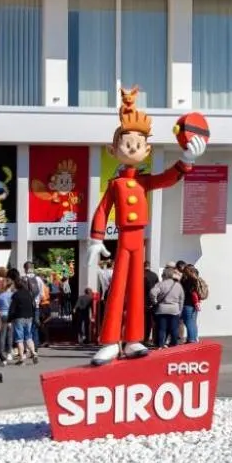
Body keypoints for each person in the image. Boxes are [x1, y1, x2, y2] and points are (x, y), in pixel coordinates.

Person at [87, 86, 207, 365]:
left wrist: (186, 161)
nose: (133, 148)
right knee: (117, 289)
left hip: (138, 240)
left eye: (138, 144)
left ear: (147, 149)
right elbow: (103, 210)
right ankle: (110, 341)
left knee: (137, 292)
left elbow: (168, 178)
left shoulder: (144, 181)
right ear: (113, 150)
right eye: (127, 143)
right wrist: (96, 239)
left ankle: (133, 339)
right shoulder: (116, 184)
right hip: (125, 241)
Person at [10, 269, 41, 364]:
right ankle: (34, 353)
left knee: (19, 339)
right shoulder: (29, 294)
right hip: (29, 317)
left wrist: (9, 319)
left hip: (19, 317)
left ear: (16, 285)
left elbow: (12, 308)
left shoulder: (15, 295)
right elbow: (33, 306)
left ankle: (21, 358)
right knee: (28, 337)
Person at [151, 264, 185, 347]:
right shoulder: (178, 285)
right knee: (174, 328)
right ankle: (173, 344)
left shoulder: (160, 284)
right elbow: (181, 299)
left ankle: (160, 345)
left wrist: (154, 301)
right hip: (174, 309)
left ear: (164, 274)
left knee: (162, 328)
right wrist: (180, 310)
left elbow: (152, 292)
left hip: (162, 309)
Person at [179, 262, 206, 344]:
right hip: (195, 303)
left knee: (188, 322)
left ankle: (191, 339)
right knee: (193, 322)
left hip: (187, 304)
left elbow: (186, 291)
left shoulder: (186, 280)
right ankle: (194, 338)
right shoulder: (195, 279)